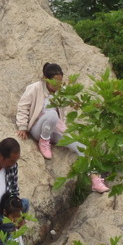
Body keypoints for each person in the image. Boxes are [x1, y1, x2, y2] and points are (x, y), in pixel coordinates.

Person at [15, 63, 109, 193]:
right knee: (52, 115)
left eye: (60, 81)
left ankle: (95, 180)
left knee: (84, 148)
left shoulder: (62, 91)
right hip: (39, 128)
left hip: (55, 129)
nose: (58, 85)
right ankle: (44, 141)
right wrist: (22, 126)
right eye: (55, 82)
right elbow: (23, 107)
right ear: (45, 78)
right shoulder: (35, 88)